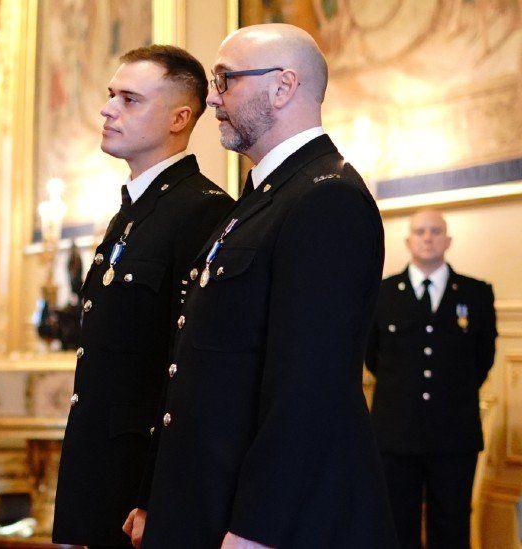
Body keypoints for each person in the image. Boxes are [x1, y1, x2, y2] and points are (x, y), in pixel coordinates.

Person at [123, 24, 397, 548]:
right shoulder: (263, 196)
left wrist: (257, 529)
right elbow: (197, 365)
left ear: (283, 87)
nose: (213, 100)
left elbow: (309, 389)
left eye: (225, 81)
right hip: (208, 499)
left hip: (267, 520)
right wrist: (158, 495)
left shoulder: (326, 198)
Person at [52, 45, 234, 548]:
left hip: (143, 487)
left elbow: (190, 369)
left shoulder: (201, 211)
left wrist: (158, 494)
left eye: (130, 99)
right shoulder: (132, 211)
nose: (108, 109)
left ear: (180, 117)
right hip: (104, 476)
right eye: (111, 95)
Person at [366, 210, 498, 549]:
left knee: (452, 527)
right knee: (397, 525)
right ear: (408, 241)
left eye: (435, 231)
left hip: (454, 436)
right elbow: (372, 357)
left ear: (448, 240)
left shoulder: (476, 294)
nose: (428, 237)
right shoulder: (381, 294)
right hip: (395, 435)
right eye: (420, 231)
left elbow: (483, 360)